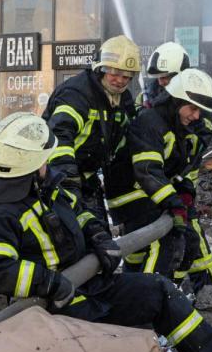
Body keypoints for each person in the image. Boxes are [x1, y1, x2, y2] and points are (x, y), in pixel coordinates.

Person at [0, 112, 212, 352]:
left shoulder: (44, 186)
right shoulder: (1, 212)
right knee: (122, 346)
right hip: (55, 310)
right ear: (30, 162)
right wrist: (50, 283)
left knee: (159, 291)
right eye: (44, 157)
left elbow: (78, 213)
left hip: (89, 286)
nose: (48, 162)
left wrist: (97, 235)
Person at [112, 68, 212, 292]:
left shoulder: (177, 125)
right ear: (177, 100)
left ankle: (163, 293)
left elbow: (177, 169)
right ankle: (147, 300)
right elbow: (148, 171)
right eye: (193, 109)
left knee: (185, 242)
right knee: (166, 241)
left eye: (200, 111)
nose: (196, 116)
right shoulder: (150, 122)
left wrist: (185, 190)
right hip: (131, 194)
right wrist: (173, 203)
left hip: (149, 194)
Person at [42, 35, 141, 229]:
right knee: (70, 235)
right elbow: (59, 135)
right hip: (56, 175)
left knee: (98, 233)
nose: (120, 81)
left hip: (88, 178)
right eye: (115, 73)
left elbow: (129, 136)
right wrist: (67, 180)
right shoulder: (77, 94)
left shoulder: (123, 99)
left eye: (126, 76)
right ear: (101, 68)